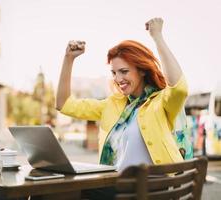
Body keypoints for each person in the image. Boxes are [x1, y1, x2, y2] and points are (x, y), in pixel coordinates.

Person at [56, 17, 188, 199]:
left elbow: (179, 88)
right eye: (114, 73)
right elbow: (64, 105)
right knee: (51, 191)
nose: (118, 79)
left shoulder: (161, 102)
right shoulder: (112, 104)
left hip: (151, 190)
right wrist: (68, 59)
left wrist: (157, 36)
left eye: (124, 71)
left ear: (142, 70)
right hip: (117, 186)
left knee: (61, 191)